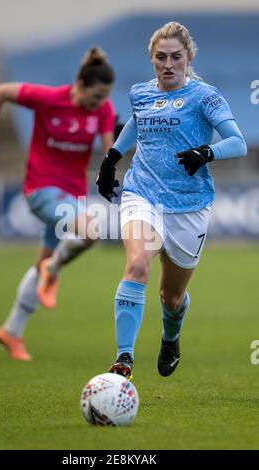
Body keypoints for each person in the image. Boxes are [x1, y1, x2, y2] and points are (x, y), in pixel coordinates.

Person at [96, 22, 247, 380]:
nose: (168, 64)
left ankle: (170, 337)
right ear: (151, 59)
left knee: (171, 298)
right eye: (160, 57)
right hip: (142, 193)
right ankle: (124, 360)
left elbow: (237, 141)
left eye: (176, 57)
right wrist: (112, 158)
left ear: (188, 57)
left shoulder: (206, 97)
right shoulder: (141, 93)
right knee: (136, 267)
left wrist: (205, 152)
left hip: (188, 205)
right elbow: (137, 122)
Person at [0, 47, 116, 361]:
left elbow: (109, 152)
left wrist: (110, 172)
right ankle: (52, 271)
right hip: (40, 190)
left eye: (103, 98)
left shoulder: (103, 110)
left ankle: (11, 332)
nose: (99, 104)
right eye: (95, 97)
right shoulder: (48, 98)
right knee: (91, 231)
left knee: (45, 259)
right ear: (78, 86)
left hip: (72, 194)